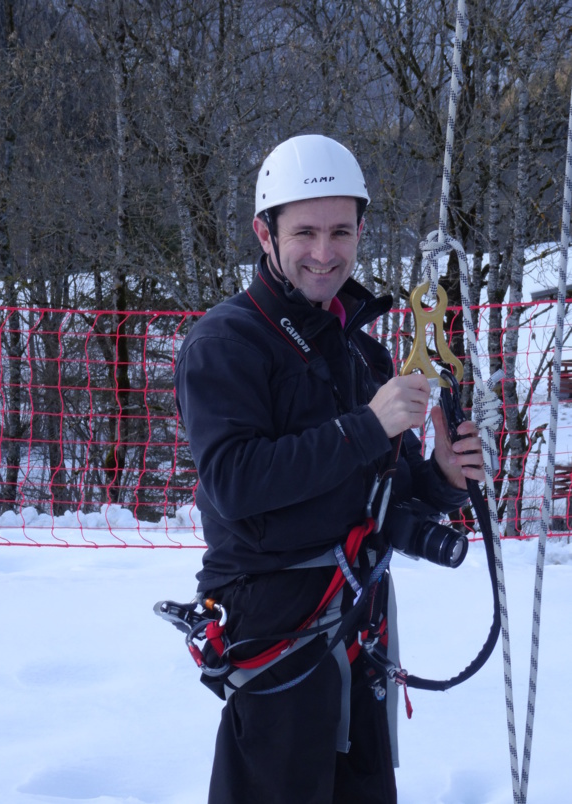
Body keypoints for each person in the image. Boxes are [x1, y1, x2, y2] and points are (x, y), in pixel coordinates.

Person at [174, 134, 484, 804]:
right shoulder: (225, 345)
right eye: (305, 231)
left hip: (358, 621)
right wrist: (367, 426)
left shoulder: (362, 355)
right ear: (265, 232)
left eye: (340, 231)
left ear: (359, 232)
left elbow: (377, 500)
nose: (324, 252)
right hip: (274, 619)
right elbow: (234, 483)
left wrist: (440, 483)